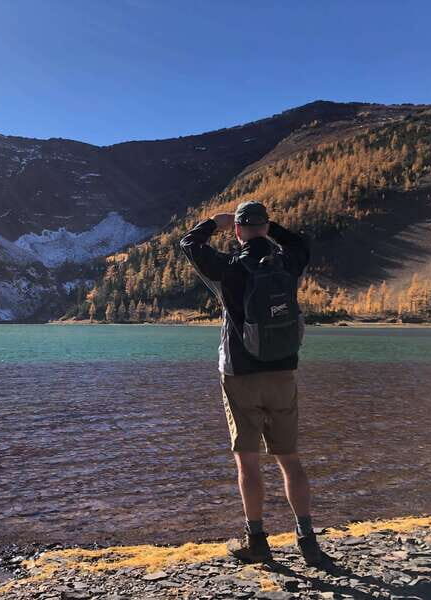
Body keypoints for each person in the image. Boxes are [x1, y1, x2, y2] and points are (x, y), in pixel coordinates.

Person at [179, 200, 323, 566]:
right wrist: (270, 228)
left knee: (248, 463)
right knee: (290, 460)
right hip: (283, 373)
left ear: (239, 230)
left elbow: (189, 244)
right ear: (265, 226)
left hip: (240, 375)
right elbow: (300, 242)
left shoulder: (228, 267)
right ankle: (307, 539)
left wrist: (215, 222)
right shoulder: (288, 263)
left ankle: (257, 539)